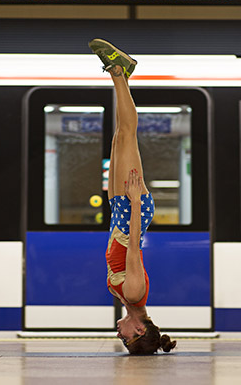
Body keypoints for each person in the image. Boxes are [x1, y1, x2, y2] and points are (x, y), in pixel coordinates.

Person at [89, 38, 176, 355]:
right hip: (131, 209)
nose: (120, 335)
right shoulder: (135, 293)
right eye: (127, 339)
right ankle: (118, 71)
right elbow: (135, 245)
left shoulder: (127, 299)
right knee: (127, 134)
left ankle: (123, 76)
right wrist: (136, 200)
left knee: (117, 137)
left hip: (120, 213)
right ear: (140, 330)